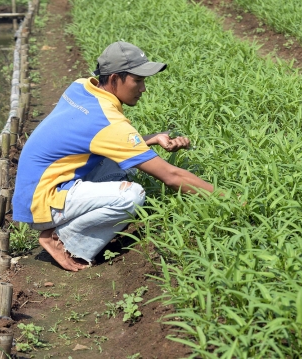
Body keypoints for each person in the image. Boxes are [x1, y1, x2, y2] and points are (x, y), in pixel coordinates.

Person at [12, 41, 214, 271]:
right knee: (131, 195)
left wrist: (154, 137)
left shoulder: (82, 88)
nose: (143, 88)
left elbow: (98, 139)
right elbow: (171, 176)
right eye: (137, 80)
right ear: (116, 78)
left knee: (129, 166)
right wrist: (229, 200)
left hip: (34, 189)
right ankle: (63, 240)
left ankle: (60, 228)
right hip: (42, 202)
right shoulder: (106, 121)